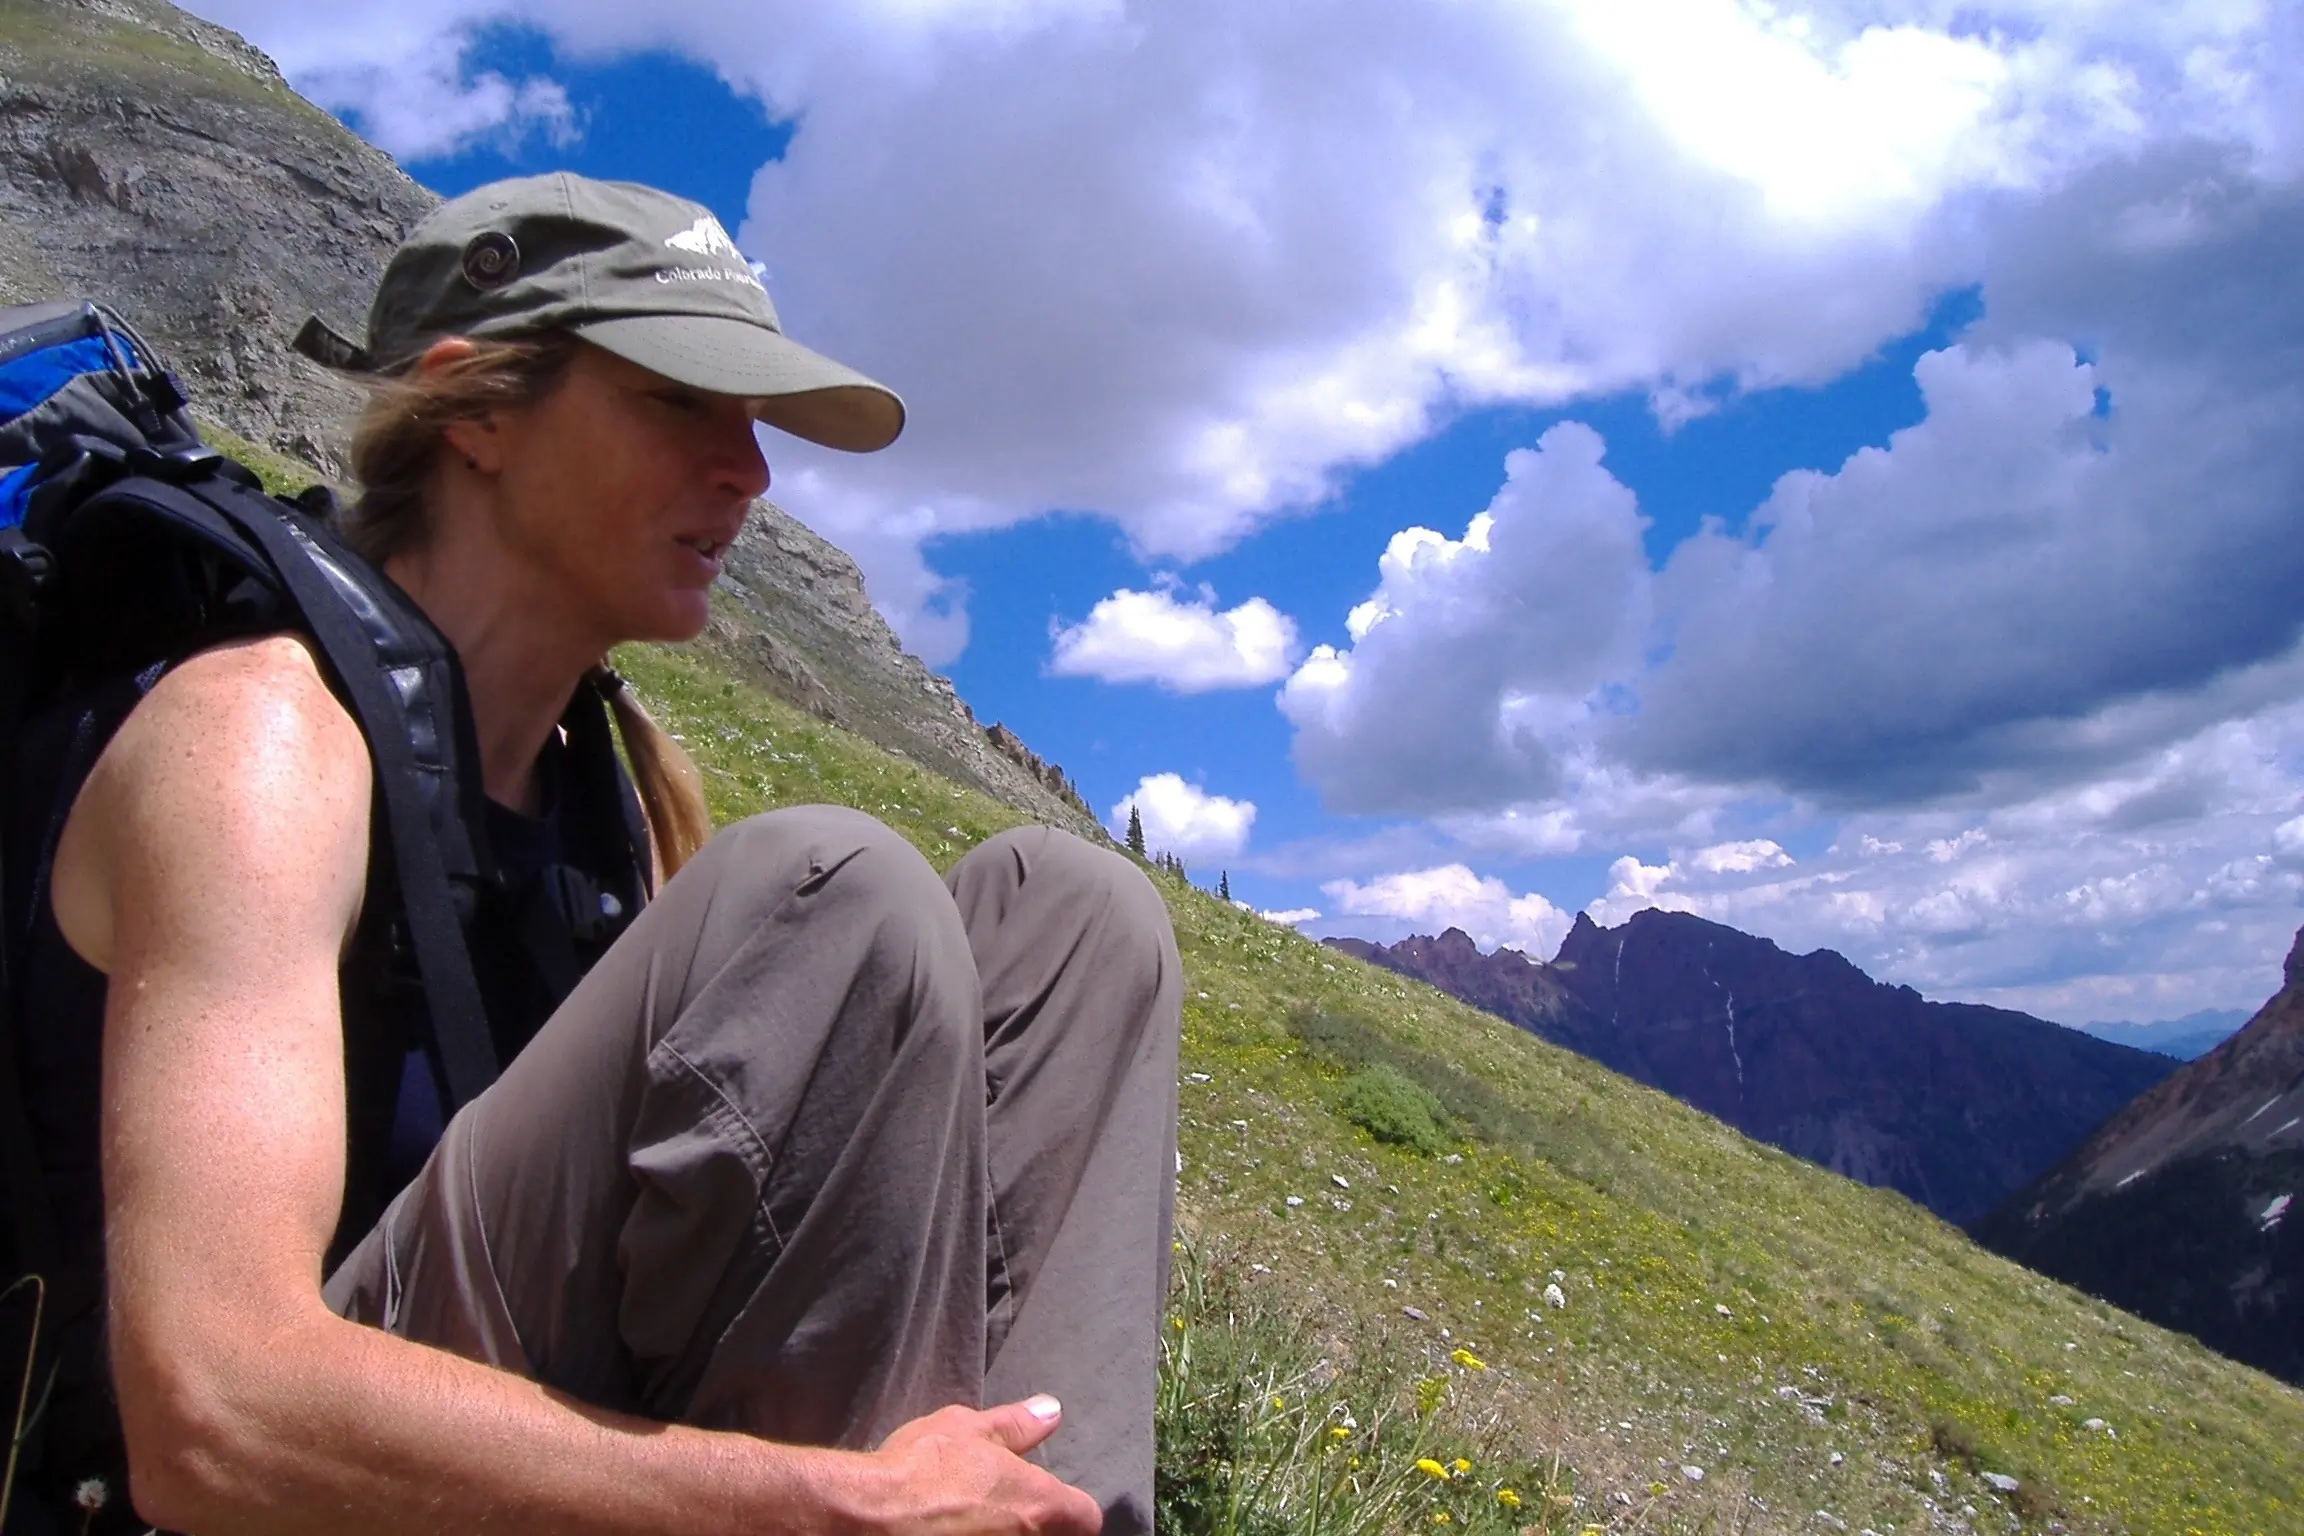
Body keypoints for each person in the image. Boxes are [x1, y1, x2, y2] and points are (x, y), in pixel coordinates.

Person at [41, 173, 1180, 1534]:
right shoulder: (260, 745)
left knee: (1075, 916)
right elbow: (211, 1416)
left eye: (754, 422)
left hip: (509, 1417)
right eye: (680, 402)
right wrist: (812, 1505)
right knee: (832, 894)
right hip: (231, 1496)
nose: (751, 474)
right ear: (474, 411)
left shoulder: (614, 797)